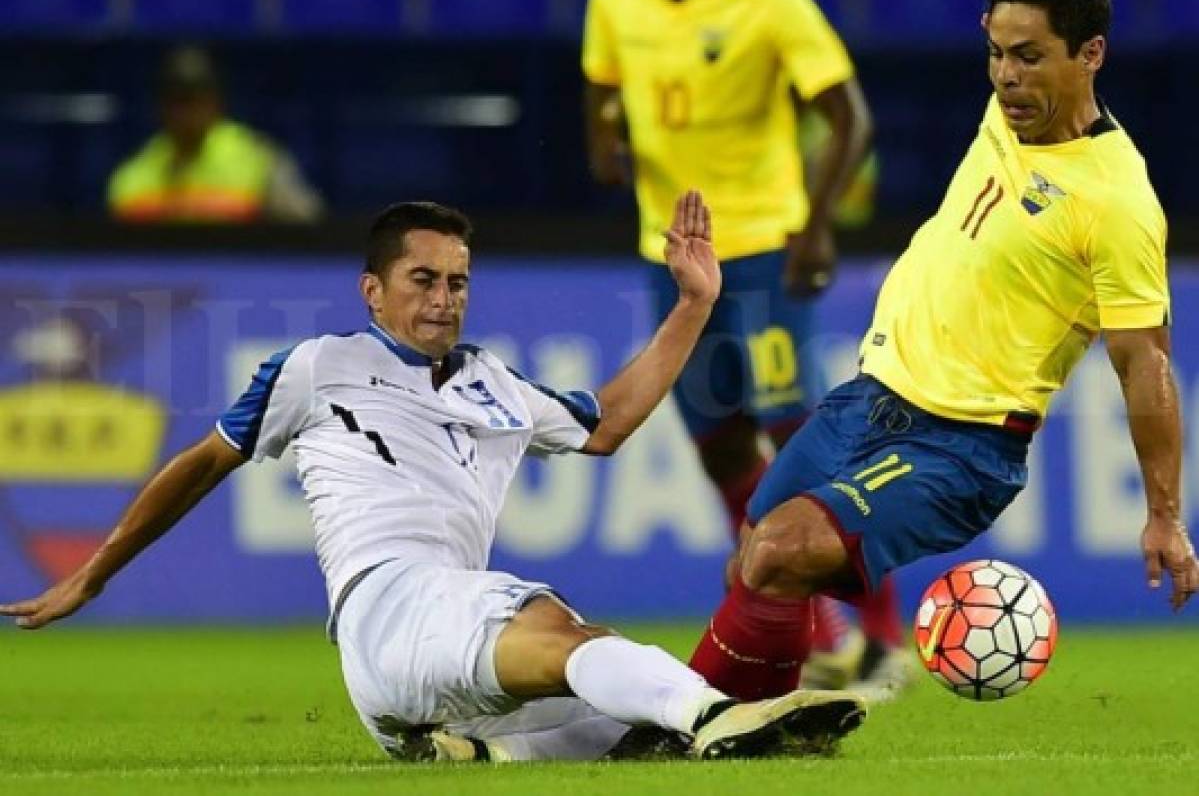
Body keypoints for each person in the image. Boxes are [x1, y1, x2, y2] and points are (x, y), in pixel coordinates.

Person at [0, 192, 867, 762]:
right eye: (422, 280)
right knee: (561, 631)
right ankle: (721, 717)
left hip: (430, 657)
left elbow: (605, 426)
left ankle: (475, 752)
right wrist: (93, 572)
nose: (444, 298)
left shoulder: (495, 379)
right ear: (372, 291)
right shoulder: (317, 365)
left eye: (457, 282)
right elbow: (197, 467)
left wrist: (692, 307)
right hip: (390, 606)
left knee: (630, 729)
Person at [687, 0, 1199, 703]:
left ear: (1091, 54)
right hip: (867, 399)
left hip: (960, 445)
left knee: (780, 550)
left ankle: (684, 716)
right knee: (751, 564)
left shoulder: (1117, 202)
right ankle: (749, 724)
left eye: (1029, 57)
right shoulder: (1009, 113)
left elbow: (1143, 361)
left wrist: (1163, 515)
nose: (1005, 77)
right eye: (994, 53)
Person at [581, 0, 907, 695]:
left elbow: (848, 116)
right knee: (720, 444)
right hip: (669, 254)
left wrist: (819, 226)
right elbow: (600, 82)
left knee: (799, 440)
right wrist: (602, 139)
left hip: (761, 245)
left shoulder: (771, 1)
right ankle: (810, 627)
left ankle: (883, 641)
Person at [107, 45, 324, 224]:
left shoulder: (259, 160)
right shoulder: (132, 179)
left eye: (196, 99)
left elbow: (308, 220)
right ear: (161, 107)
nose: (187, 113)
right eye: (178, 100)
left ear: (216, 102)